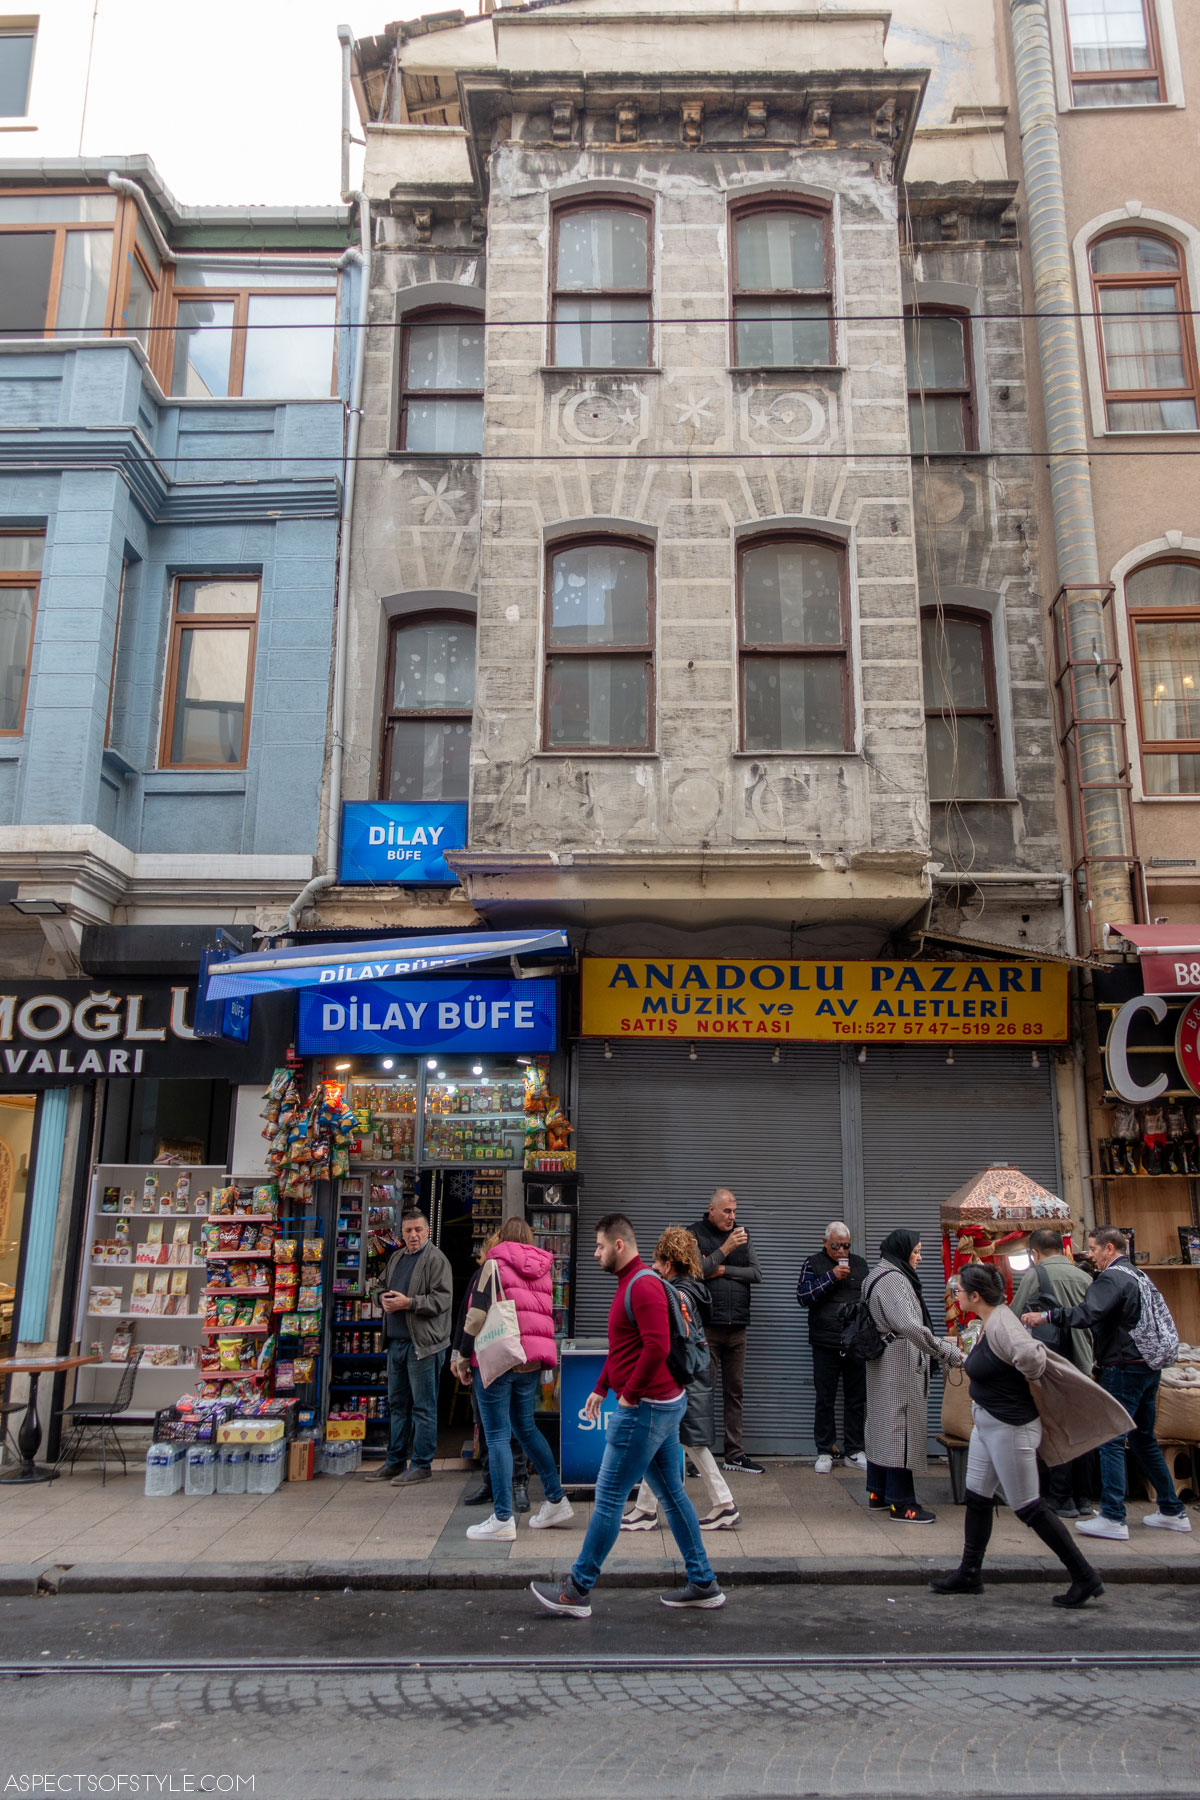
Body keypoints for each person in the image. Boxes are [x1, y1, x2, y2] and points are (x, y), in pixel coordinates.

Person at [531, 1213, 725, 1617]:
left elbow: (656, 1346)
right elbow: (625, 1347)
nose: (596, 1252)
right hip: (659, 1406)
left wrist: (629, 1397)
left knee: (608, 1499)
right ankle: (703, 1582)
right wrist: (602, 1388)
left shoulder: (643, 1287)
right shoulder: (631, 1284)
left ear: (619, 1245)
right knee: (671, 1494)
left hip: (647, 1409)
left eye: (600, 1246)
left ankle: (576, 1590)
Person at [931, 1263, 1120, 1607]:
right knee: (977, 1497)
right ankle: (969, 1573)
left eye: (958, 1291)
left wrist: (1029, 1382)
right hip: (988, 1425)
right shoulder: (992, 1321)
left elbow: (1031, 1356)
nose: (954, 1295)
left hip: (1009, 1427)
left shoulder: (1003, 1323)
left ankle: (1084, 1576)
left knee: (1028, 1506)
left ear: (975, 1296)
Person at [1021, 1225, 1192, 1540]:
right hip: (1147, 1366)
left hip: (1123, 1366)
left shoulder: (1114, 1278)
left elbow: (1088, 1314)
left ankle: (1113, 1516)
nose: (1091, 1256)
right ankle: (1172, 1510)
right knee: (1143, 1439)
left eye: (1095, 1249)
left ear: (1110, 1248)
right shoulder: (1139, 1276)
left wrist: (1045, 1317)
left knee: (1112, 1437)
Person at [450, 1217, 574, 1541]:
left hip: (500, 1358)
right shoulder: (543, 1268)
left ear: (501, 1237)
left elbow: (474, 1316)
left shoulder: (493, 1265)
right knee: (527, 1428)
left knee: (497, 1436)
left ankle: (502, 1518)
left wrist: (462, 1357)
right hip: (531, 1361)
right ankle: (556, 1498)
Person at [620, 1225, 740, 1533]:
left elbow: (666, 1340)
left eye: (658, 1263)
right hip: (693, 1373)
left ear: (669, 1264)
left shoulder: (674, 1293)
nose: (654, 1268)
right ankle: (648, 1508)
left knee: (682, 1441)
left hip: (681, 1378)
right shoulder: (693, 1289)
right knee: (666, 1440)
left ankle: (723, 1504)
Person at [862, 1229, 964, 1523]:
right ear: (902, 1251)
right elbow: (908, 1325)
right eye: (916, 1251)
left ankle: (877, 1493)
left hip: (884, 1363)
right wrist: (946, 1351)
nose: (919, 1257)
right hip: (899, 1365)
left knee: (883, 1426)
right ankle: (902, 1503)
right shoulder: (894, 1278)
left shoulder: (876, 1275)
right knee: (900, 1431)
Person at [1011, 1228, 1094, 1518]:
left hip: (1052, 1363)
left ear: (1034, 1253)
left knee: (1056, 1431)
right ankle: (1084, 1498)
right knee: (1081, 1431)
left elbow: (1014, 1313)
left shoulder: (1036, 1275)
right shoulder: (1086, 1277)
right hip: (1084, 1364)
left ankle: (1061, 1498)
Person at [365, 1211, 452, 1486]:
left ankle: (422, 1464)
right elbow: (377, 1288)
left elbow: (443, 1299)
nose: (413, 1235)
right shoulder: (396, 1258)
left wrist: (409, 1303)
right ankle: (394, 1461)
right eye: (408, 1231)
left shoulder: (436, 1260)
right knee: (398, 1405)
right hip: (397, 1344)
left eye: (418, 1230)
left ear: (427, 1231)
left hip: (423, 1346)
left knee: (423, 1407)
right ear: (401, 1234)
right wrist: (382, 1299)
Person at [456, 1230, 531, 1514]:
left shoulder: (521, 1277)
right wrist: (459, 1357)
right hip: (486, 1360)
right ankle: (493, 1483)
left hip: (507, 1360)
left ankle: (517, 1484)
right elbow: (466, 1316)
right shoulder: (483, 1275)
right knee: (490, 1428)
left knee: (507, 1430)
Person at [690, 1187, 763, 1474]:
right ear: (712, 1210)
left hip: (738, 1326)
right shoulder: (694, 1233)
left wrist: (721, 1269)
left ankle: (734, 1455)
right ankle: (698, 1456)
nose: (732, 1217)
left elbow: (756, 1273)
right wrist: (727, 1249)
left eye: (735, 1211)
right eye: (727, 1211)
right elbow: (697, 1270)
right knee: (701, 1392)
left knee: (735, 1392)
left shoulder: (744, 1235)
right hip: (708, 1327)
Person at [796, 1221, 869, 1472]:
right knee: (825, 1398)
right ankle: (825, 1450)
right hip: (824, 1342)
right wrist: (831, 1277)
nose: (842, 1251)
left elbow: (868, 1301)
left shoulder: (860, 1264)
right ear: (825, 1242)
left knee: (856, 1398)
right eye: (836, 1245)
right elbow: (803, 1297)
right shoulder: (813, 1263)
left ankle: (855, 1449)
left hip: (855, 1342)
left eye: (846, 1246)